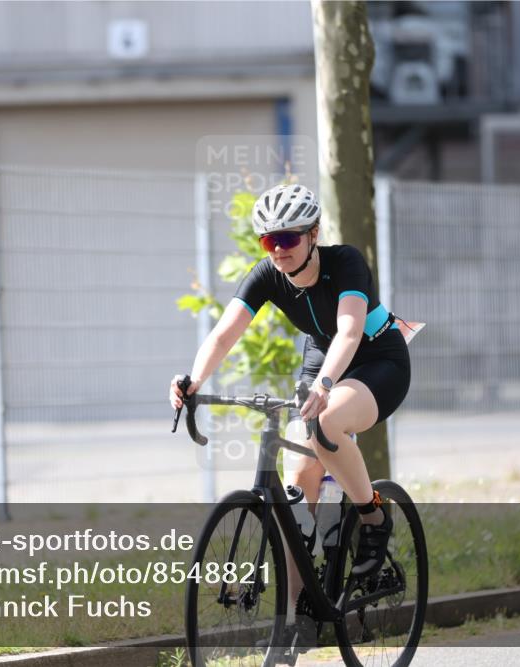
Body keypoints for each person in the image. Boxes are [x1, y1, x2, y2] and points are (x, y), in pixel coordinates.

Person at [168, 182, 411, 624]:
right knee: (298, 487)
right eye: (268, 241)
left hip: (378, 359)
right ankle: (300, 620)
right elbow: (224, 334)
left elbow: (350, 332)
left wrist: (325, 384)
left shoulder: (347, 263)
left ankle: (374, 519)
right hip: (321, 360)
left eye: (288, 239)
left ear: (313, 234)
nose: (277, 250)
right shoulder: (266, 275)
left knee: (329, 423)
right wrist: (192, 380)